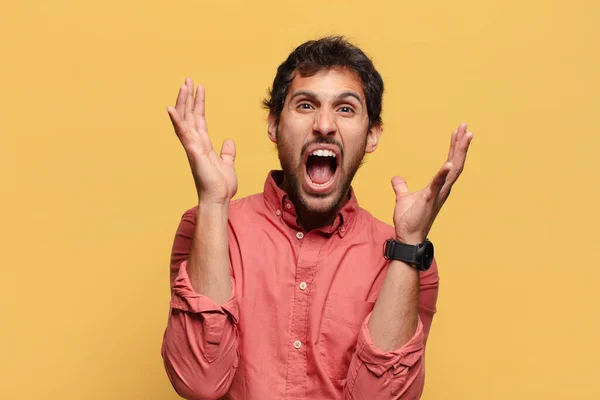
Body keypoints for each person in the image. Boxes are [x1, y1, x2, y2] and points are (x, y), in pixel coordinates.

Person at [161, 36, 473, 400]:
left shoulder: (409, 258)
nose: (324, 124)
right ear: (274, 126)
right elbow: (199, 381)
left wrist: (408, 246)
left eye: (345, 109)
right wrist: (213, 204)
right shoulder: (206, 227)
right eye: (306, 105)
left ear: (371, 135)